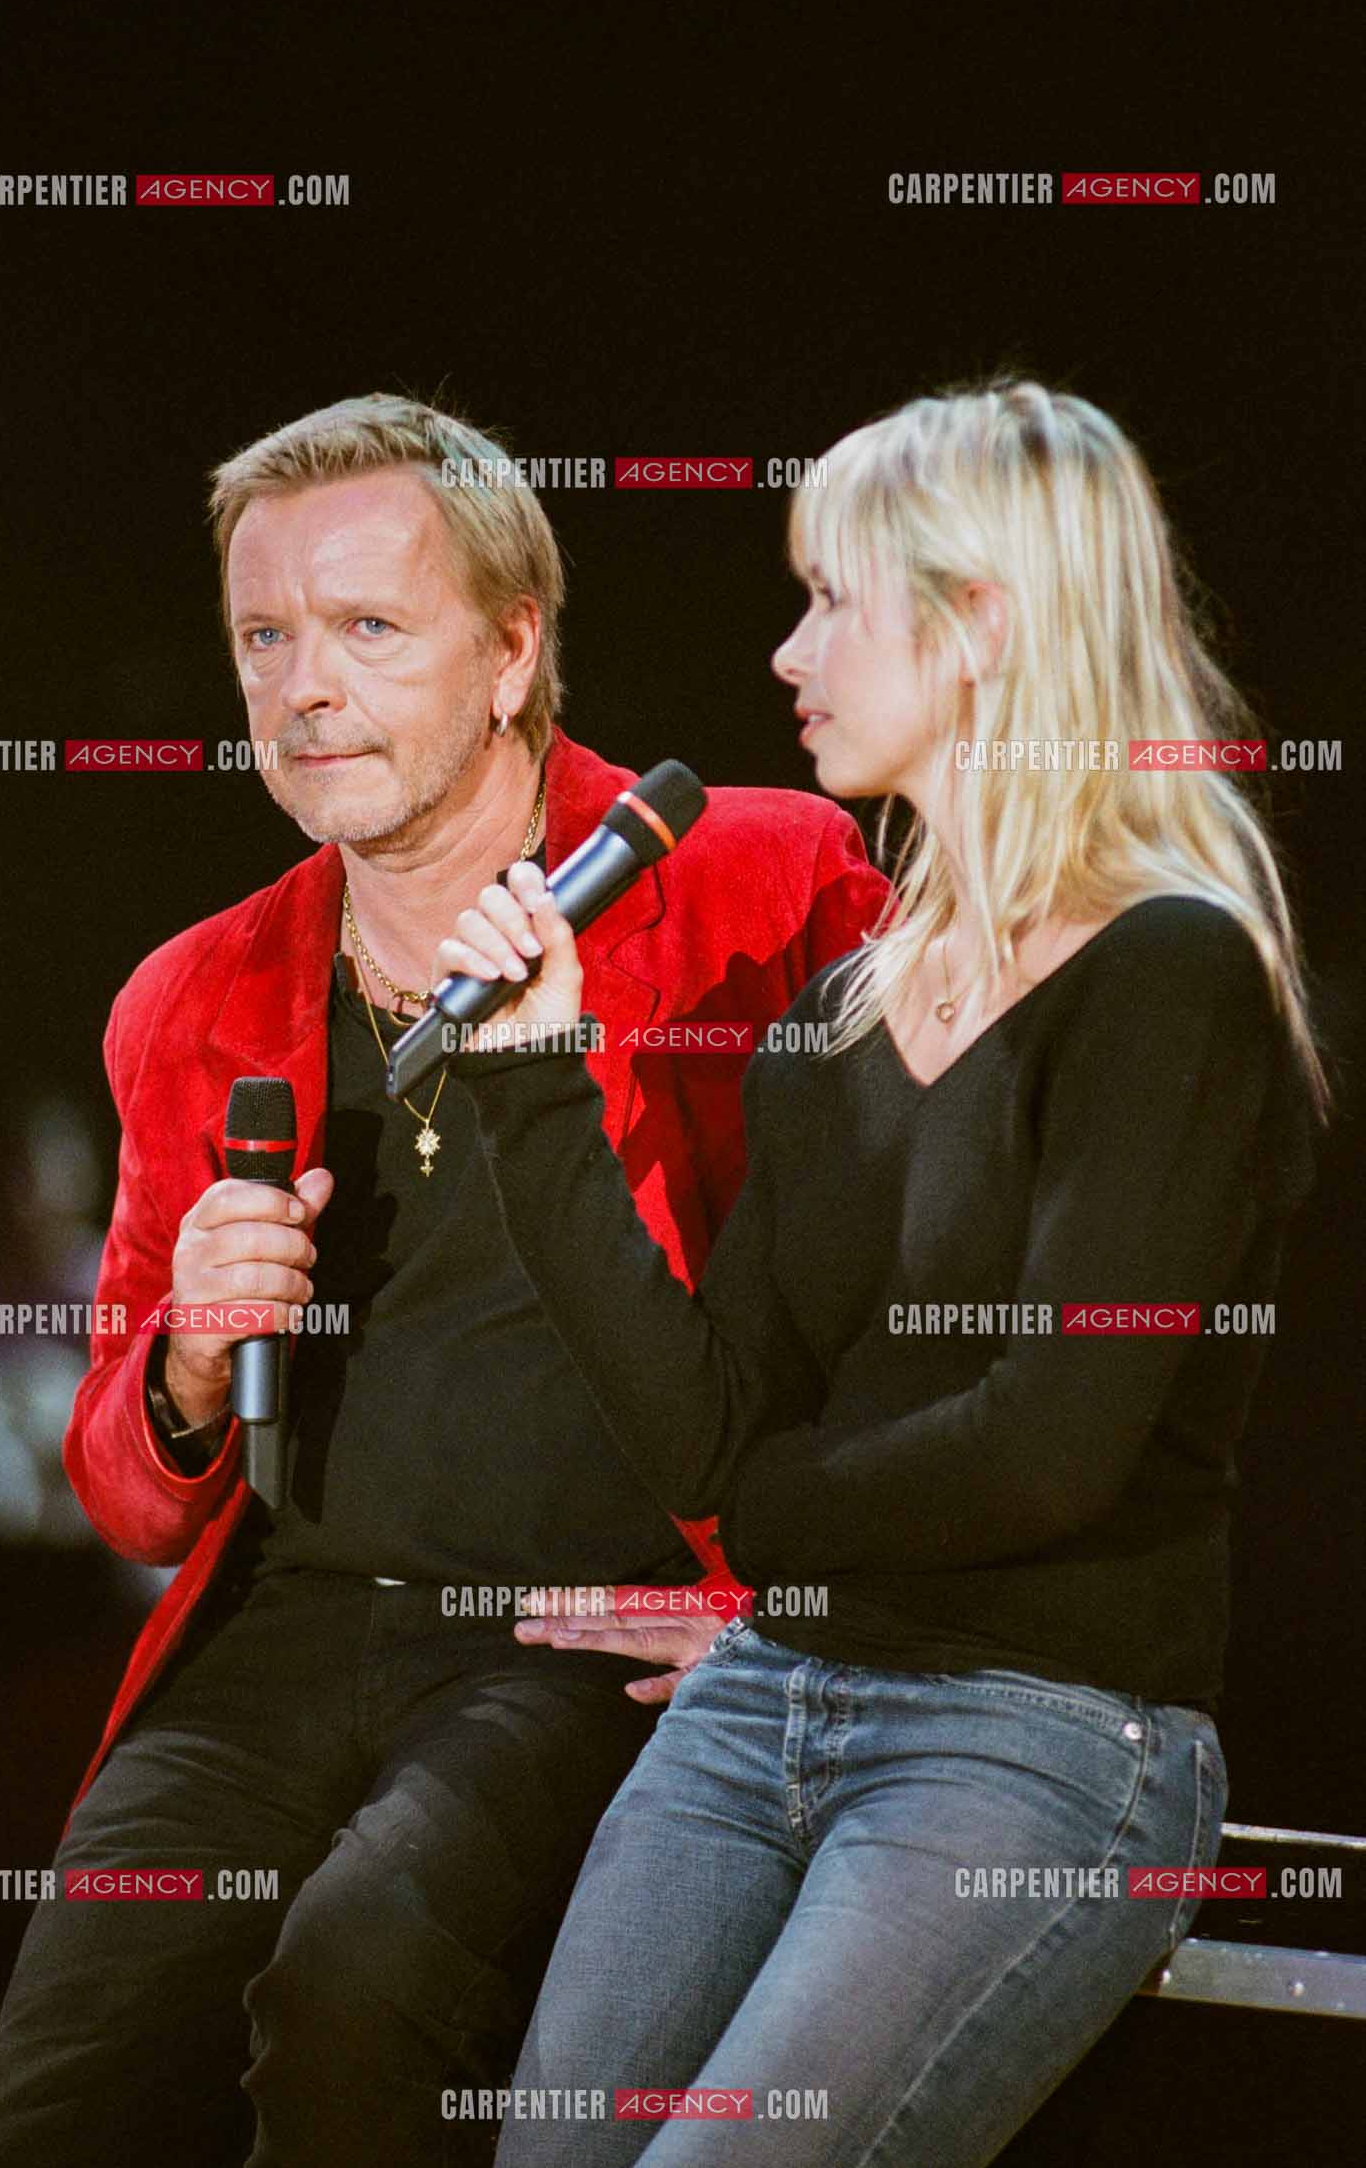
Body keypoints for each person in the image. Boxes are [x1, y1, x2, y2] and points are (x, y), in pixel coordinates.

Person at [0, 393, 891, 2167]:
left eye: (369, 628)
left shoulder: (757, 884)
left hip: (573, 1632)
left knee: (352, 1993)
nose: (306, 686)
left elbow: (920, 1296)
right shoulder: (195, 992)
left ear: (513, 648)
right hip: (286, 1631)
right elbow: (124, 1488)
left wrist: (799, 1614)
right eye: (265, 637)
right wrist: (183, 1368)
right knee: (40, 2105)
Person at [432, 379, 1325, 2167]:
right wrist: (537, 1085)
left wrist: (765, 1521)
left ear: (983, 622)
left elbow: (1047, 1443)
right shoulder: (836, 1017)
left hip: (1039, 1739)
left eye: (832, 597)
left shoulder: (1171, 975)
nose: (787, 652)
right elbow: (708, 1428)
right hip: (771, 1693)